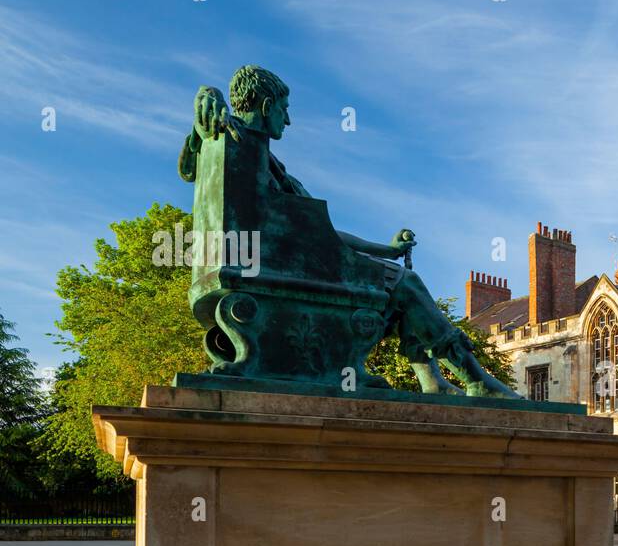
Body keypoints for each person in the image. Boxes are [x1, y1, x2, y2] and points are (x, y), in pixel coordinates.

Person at [180, 65, 516, 398]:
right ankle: (475, 380)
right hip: (283, 270)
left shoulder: (258, 159)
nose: (288, 120)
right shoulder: (241, 144)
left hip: (290, 263)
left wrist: (386, 251)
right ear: (267, 107)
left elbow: (324, 234)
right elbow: (194, 155)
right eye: (284, 109)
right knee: (406, 284)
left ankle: (434, 381)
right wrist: (207, 96)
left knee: (398, 281)